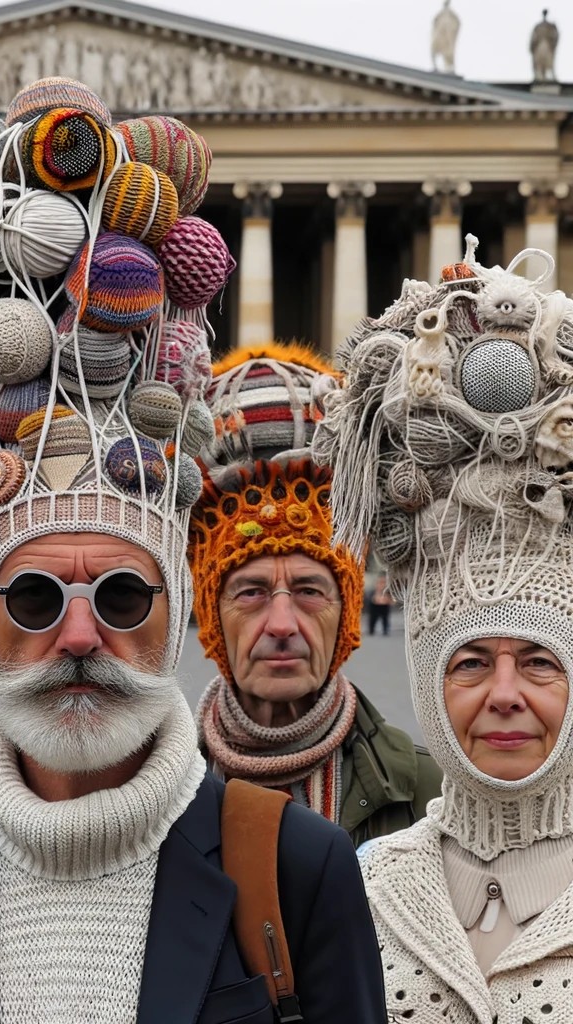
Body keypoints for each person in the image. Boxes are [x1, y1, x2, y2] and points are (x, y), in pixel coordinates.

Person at [0, 76, 386, 1023]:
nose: (79, 635)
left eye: (121, 597)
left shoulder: (302, 874)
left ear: (178, 616)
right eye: (33, 597)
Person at [315, 237, 573, 1019]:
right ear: (427, 676)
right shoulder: (354, 890)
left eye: (539, 662)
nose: (503, 695)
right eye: (469, 663)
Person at [188, 344, 441, 846]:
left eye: (308, 589)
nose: (282, 624)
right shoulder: (149, 794)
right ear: (211, 616)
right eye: (251, 591)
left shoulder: (430, 799)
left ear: (347, 611)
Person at [368, 571, 393, 636]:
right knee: (373, 618)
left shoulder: (387, 592)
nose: (381, 585)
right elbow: (372, 598)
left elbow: (391, 599)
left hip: (384, 606)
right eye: (380, 583)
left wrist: (388, 601)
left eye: (383, 583)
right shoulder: (374, 591)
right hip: (375, 606)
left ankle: (385, 629)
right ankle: (371, 629)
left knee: (385, 619)